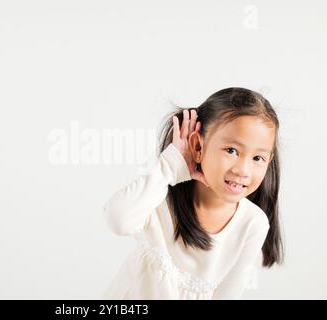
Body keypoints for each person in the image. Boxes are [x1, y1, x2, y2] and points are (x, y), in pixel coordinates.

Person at [102, 87, 284, 299]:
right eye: (231, 151)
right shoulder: (160, 198)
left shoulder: (253, 224)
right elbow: (118, 219)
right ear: (198, 146)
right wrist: (170, 167)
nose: (243, 170)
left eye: (257, 158)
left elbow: (227, 296)